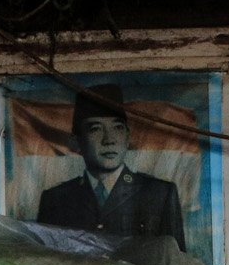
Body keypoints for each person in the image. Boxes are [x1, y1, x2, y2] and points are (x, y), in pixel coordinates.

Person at [35, 86, 187, 246]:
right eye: (96, 129)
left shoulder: (159, 194)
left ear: (128, 137)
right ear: (76, 142)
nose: (109, 140)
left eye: (118, 127)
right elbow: (46, 264)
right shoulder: (56, 200)